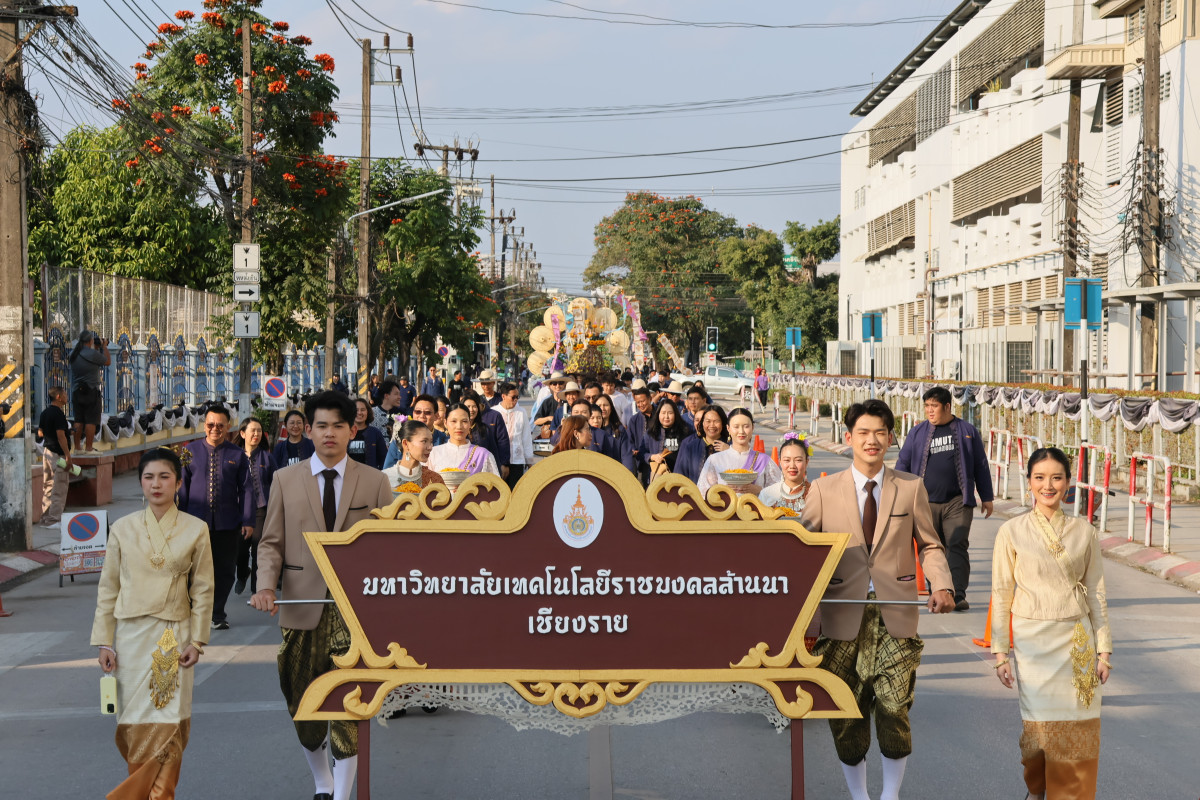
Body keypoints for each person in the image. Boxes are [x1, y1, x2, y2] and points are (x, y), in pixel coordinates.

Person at [800, 399, 955, 800]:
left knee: (893, 706)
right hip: (840, 617)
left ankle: (890, 795)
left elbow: (930, 544)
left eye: (880, 433)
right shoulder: (823, 490)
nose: (872, 440)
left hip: (895, 615)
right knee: (846, 713)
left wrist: (942, 585)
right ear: (848, 437)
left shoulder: (910, 487)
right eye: (863, 433)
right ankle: (859, 796)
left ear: (890, 438)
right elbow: (804, 553)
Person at [251, 391, 393, 800]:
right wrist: (265, 586)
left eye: (338, 426)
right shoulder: (285, 479)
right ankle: (322, 780)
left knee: (351, 700)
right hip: (301, 605)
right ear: (308, 430)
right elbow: (271, 542)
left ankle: (341, 793)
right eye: (322, 426)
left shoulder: (376, 481)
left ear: (352, 430)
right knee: (303, 702)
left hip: (357, 612)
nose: (330, 433)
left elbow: (389, 547)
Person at [92, 447, 214, 800]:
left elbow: (203, 589)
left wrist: (198, 641)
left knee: (169, 723)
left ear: (178, 482)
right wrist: (105, 641)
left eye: (164, 477)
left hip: (172, 636)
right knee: (134, 725)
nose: (156, 484)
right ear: (140, 482)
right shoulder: (122, 529)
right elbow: (108, 587)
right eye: (149, 477)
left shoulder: (196, 529)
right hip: (129, 638)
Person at [991, 447, 1111, 800]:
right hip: (1032, 643)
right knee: (1039, 734)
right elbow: (1001, 593)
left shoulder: (1084, 532)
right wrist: (1000, 652)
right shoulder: (1011, 531)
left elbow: (1096, 592)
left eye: (1056, 478)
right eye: (1040, 477)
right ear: (1029, 482)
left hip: (1077, 641)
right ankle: (1037, 788)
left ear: (1068, 483)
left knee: (1079, 727)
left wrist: (1104, 649)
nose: (1048, 485)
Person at [895, 385, 995, 611]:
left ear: (947, 406)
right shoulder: (917, 433)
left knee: (957, 543)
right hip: (924, 503)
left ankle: (957, 594)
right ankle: (938, 592)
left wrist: (987, 496)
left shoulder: (967, 431)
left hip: (957, 501)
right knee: (933, 548)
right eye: (927, 406)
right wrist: (898, 495)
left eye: (934, 406)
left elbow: (980, 464)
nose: (930, 410)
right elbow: (903, 464)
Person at [177, 405, 254, 631]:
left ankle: (217, 613)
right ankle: (194, 611)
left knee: (225, 571)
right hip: (194, 523)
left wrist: (248, 520)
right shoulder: (189, 451)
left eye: (220, 425)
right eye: (210, 424)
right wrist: (178, 519)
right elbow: (181, 488)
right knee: (193, 570)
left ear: (228, 426)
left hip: (228, 524)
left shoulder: (237, 454)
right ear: (204, 426)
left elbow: (247, 489)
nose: (215, 429)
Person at [695, 408, 781, 497]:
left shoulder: (764, 460)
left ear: (752, 427)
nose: (741, 431)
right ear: (728, 428)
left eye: (746, 426)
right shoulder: (715, 460)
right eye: (736, 427)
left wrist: (759, 490)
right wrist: (722, 491)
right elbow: (703, 494)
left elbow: (779, 493)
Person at [234, 417, 275, 597]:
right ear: (243, 434)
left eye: (259, 431)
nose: (256, 434)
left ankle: (257, 588)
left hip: (260, 509)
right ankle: (243, 573)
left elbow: (276, 482)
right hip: (238, 510)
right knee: (240, 549)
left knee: (258, 548)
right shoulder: (234, 457)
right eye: (253, 430)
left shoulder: (267, 457)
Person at [427, 403, 501, 477]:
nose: (459, 426)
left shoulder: (483, 455)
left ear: (470, 423)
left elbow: (494, 482)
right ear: (445, 423)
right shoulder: (433, 453)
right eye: (454, 421)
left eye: (464, 421)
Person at [68, 329, 111, 452]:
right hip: (91, 391)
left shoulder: (72, 354)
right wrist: (104, 346)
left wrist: (96, 348)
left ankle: (77, 448)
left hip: (77, 391)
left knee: (78, 420)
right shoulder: (92, 354)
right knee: (91, 421)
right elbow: (107, 361)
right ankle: (88, 448)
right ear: (90, 340)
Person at [38, 386, 73, 528]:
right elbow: (60, 436)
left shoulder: (45, 412)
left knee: (48, 485)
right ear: (58, 397)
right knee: (60, 486)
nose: (66, 396)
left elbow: (40, 433)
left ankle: (45, 518)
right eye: (65, 394)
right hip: (58, 454)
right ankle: (54, 520)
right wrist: (68, 456)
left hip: (47, 452)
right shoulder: (58, 414)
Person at [382, 420, 447, 493]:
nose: (430, 447)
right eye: (424, 441)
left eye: (431, 442)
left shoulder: (434, 479)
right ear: (406, 444)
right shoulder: (385, 478)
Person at [382, 395, 446, 469]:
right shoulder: (399, 440)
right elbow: (388, 470)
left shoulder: (444, 440)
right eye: (418, 412)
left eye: (427, 412)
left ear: (436, 416)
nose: (422, 416)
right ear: (413, 413)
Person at [461, 390, 511, 478]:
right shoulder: (458, 428)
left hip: (484, 472)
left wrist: (503, 464)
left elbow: (500, 444)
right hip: (462, 472)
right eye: (468, 406)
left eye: (474, 406)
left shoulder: (485, 428)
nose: (471, 410)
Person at [674, 404, 729, 484]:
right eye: (708, 421)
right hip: (693, 491)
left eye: (716, 421)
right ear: (702, 423)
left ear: (723, 423)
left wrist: (730, 452)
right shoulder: (691, 447)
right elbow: (680, 475)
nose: (712, 425)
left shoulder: (730, 446)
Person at [640, 398, 692, 479]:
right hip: (658, 476)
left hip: (679, 477)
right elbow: (641, 453)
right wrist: (652, 457)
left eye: (670, 413)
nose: (666, 416)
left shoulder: (684, 431)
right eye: (663, 413)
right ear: (658, 414)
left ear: (675, 414)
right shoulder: (651, 432)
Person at [494, 382, 533, 488]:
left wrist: (529, 461)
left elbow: (526, 438)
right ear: (503, 396)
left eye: (517, 397)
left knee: (515, 492)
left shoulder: (521, 412)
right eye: (513, 397)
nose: (516, 400)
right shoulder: (494, 412)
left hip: (517, 460)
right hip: (498, 461)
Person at [759, 433, 811, 514]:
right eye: (787, 460)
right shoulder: (767, 494)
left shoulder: (815, 494)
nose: (792, 466)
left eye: (798, 460)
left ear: (806, 462)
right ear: (780, 462)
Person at [595, 394, 635, 473]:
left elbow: (627, 458)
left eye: (605, 405)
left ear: (611, 407)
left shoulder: (619, 430)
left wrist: (627, 475)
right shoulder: (591, 431)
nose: (602, 408)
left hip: (616, 473)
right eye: (599, 406)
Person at [348, 398, 387, 469]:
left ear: (367, 412)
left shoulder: (375, 433)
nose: (359, 413)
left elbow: (383, 459)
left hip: (370, 474)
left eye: (363, 410)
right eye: (356, 410)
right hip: (348, 473)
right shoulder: (345, 433)